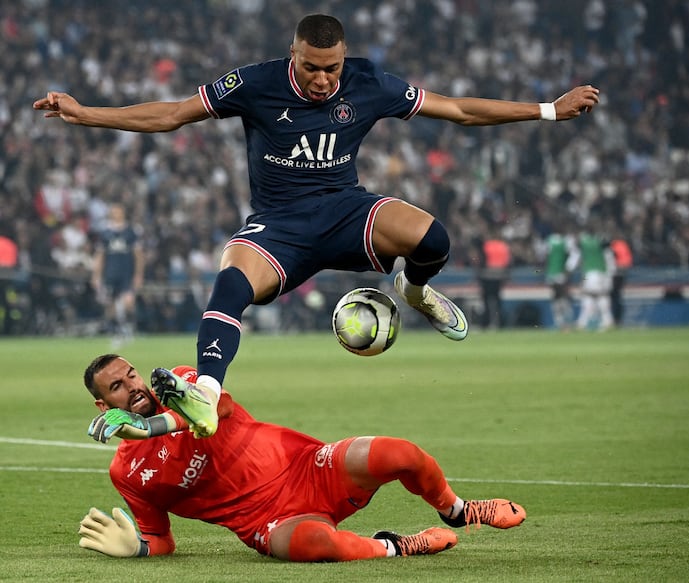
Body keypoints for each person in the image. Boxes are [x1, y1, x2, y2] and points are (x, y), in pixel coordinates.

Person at [35, 14, 600, 437]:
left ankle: (414, 290)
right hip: (279, 227)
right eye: (311, 67)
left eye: (332, 67)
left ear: (344, 59)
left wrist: (547, 110)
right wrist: (86, 113)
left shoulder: (369, 81)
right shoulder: (253, 83)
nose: (324, 78)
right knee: (231, 282)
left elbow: (457, 109)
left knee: (435, 239)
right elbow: (171, 114)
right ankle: (205, 393)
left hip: (345, 211)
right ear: (293, 55)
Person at [79, 354, 526, 561]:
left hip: (308, 466)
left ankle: (458, 510)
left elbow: (214, 411)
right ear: (104, 405)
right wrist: (137, 548)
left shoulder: (179, 383)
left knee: (401, 453)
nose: (133, 386)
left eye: (131, 374)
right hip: (264, 522)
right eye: (117, 387)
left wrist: (149, 426)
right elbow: (162, 540)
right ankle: (400, 545)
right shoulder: (127, 473)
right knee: (318, 543)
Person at [91, 203, 145, 346]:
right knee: (110, 304)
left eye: (118, 211)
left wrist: (139, 274)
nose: (115, 213)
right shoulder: (105, 233)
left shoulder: (131, 232)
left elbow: (138, 255)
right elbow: (100, 255)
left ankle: (129, 328)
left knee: (128, 302)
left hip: (126, 272)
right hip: (110, 273)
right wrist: (96, 275)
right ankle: (117, 332)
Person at [568, 229, 615, 332]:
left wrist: (568, 269)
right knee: (601, 295)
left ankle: (583, 323)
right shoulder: (602, 241)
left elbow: (575, 258)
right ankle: (606, 321)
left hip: (589, 273)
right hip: (602, 272)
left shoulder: (583, 242)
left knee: (589, 296)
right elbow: (609, 257)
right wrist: (611, 272)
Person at [543, 229, 576, 331]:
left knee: (559, 297)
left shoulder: (552, 241)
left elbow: (545, 256)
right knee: (559, 297)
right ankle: (563, 323)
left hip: (556, 272)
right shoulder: (564, 241)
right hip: (557, 273)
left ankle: (565, 322)